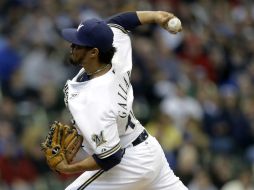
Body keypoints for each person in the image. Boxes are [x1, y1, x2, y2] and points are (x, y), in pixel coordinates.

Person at [57, 11, 187, 190]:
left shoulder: (93, 101)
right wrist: (157, 16)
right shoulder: (114, 50)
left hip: (128, 163)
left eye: (78, 45)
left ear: (94, 52)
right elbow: (120, 21)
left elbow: (111, 158)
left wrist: (70, 168)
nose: (72, 46)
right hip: (148, 149)